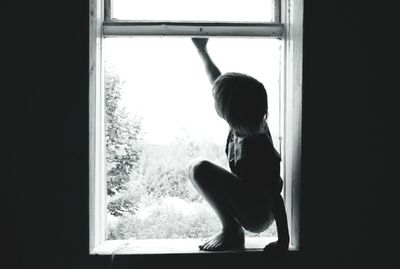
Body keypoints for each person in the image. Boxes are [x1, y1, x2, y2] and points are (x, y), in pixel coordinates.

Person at [189, 38, 289, 253]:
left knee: (200, 169)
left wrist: (283, 242)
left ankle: (231, 231)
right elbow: (217, 81)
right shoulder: (245, 122)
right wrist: (202, 50)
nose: (214, 102)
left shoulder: (257, 147)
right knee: (196, 169)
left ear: (230, 110)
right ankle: (232, 229)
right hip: (251, 200)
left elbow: (275, 199)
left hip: (259, 212)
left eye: (218, 101)